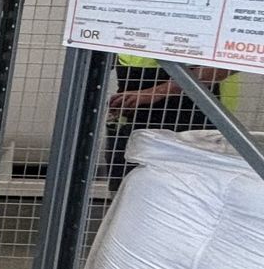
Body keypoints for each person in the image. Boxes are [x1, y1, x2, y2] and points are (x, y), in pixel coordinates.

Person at [102, 55, 241, 186]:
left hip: (195, 117)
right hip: (132, 116)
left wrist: (155, 92)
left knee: (185, 191)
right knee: (125, 188)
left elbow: (233, 62)